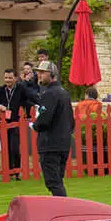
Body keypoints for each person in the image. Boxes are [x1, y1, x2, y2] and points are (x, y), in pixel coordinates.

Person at [31, 59, 74, 198]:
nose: (39, 75)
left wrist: (35, 125)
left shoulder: (50, 94)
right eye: (39, 73)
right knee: (58, 179)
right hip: (63, 143)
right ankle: (61, 208)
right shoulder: (63, 93)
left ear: (52, 74)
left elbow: (44, 118)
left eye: (43, 73)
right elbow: (71, 120)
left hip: (51, 144)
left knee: (53, 182)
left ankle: (63, 210)